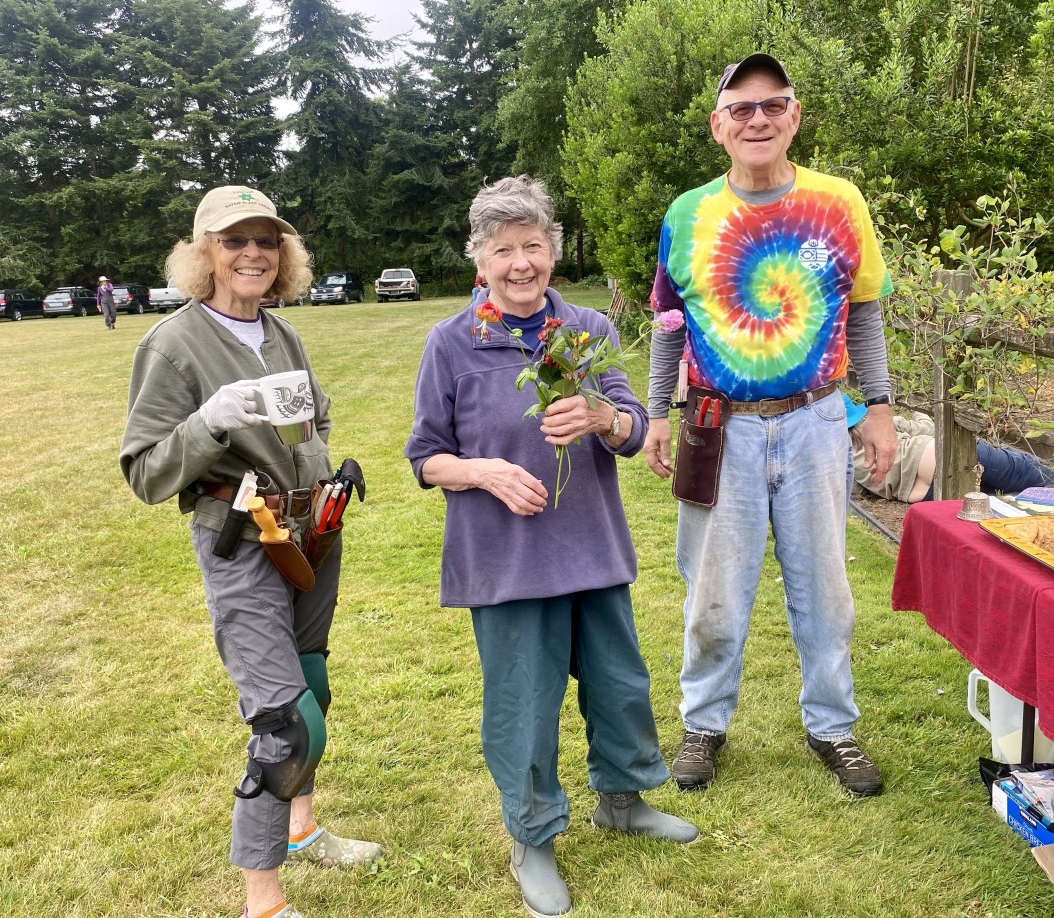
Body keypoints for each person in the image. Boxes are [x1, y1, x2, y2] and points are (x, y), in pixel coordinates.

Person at [405, 175, 697, 918]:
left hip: (591, 547)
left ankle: (622, 801)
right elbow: (425, 458)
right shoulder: (452, 343)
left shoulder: (587, 330)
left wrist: (600, 417)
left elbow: (633, 428)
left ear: (553, 252)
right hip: (506, 562)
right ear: (480, 261)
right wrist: (484, 472)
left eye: (532, 245)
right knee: (523, 704)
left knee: (619, 685)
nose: (521, 263)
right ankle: (532, 837)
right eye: (503, 250)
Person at [119, 185, 380, 918]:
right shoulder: (173, 344)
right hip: (240, 541)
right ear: (203, 253)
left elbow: (311, 420)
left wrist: (323, 473)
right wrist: (208, 422)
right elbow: (144, 472)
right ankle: (262, 903)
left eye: (267, 240)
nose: (253, 253)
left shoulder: (280, 332)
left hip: (311, 534)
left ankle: (302, 830)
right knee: (283, 723)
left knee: (311, 688)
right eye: (234, 240)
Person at [643, 53, 898, 797]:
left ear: (795, 116)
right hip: (717, 428)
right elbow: (667, 323)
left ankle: (833, 726)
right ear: (717, 126)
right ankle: (703, 724)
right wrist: (657, 413)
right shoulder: (687, 215)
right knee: (712, 591)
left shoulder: (839, 202)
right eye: (741, 108)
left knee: (825, 588)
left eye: (773, 105)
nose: (758, 119)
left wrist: (879, 406)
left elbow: (864, 311)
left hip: (816, 420)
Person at [843, 397, 1054, 501]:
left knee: (1005, 498)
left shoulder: (842, 454)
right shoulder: (876, 426)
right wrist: (921, 412)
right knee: (1025, 471)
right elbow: (929, 428)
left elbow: (853, 488)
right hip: (938, 457)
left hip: (922, 494)